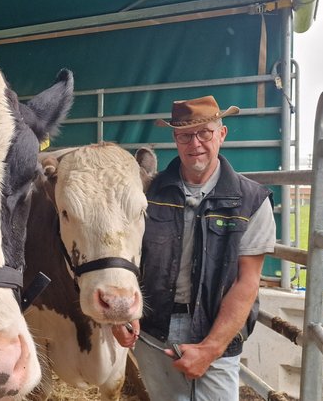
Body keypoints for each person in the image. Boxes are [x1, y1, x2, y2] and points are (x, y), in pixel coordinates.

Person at [112, 95, 276, 400]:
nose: (195, 143)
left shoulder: (252, 201)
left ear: (222, 134)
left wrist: (210, 349)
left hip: (215, 330)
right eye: (185, 135)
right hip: (153, 330)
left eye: (204, 133)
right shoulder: (146, 194)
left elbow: (247, 281)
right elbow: (127, 255)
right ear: (175, 138)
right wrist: (124, 313)